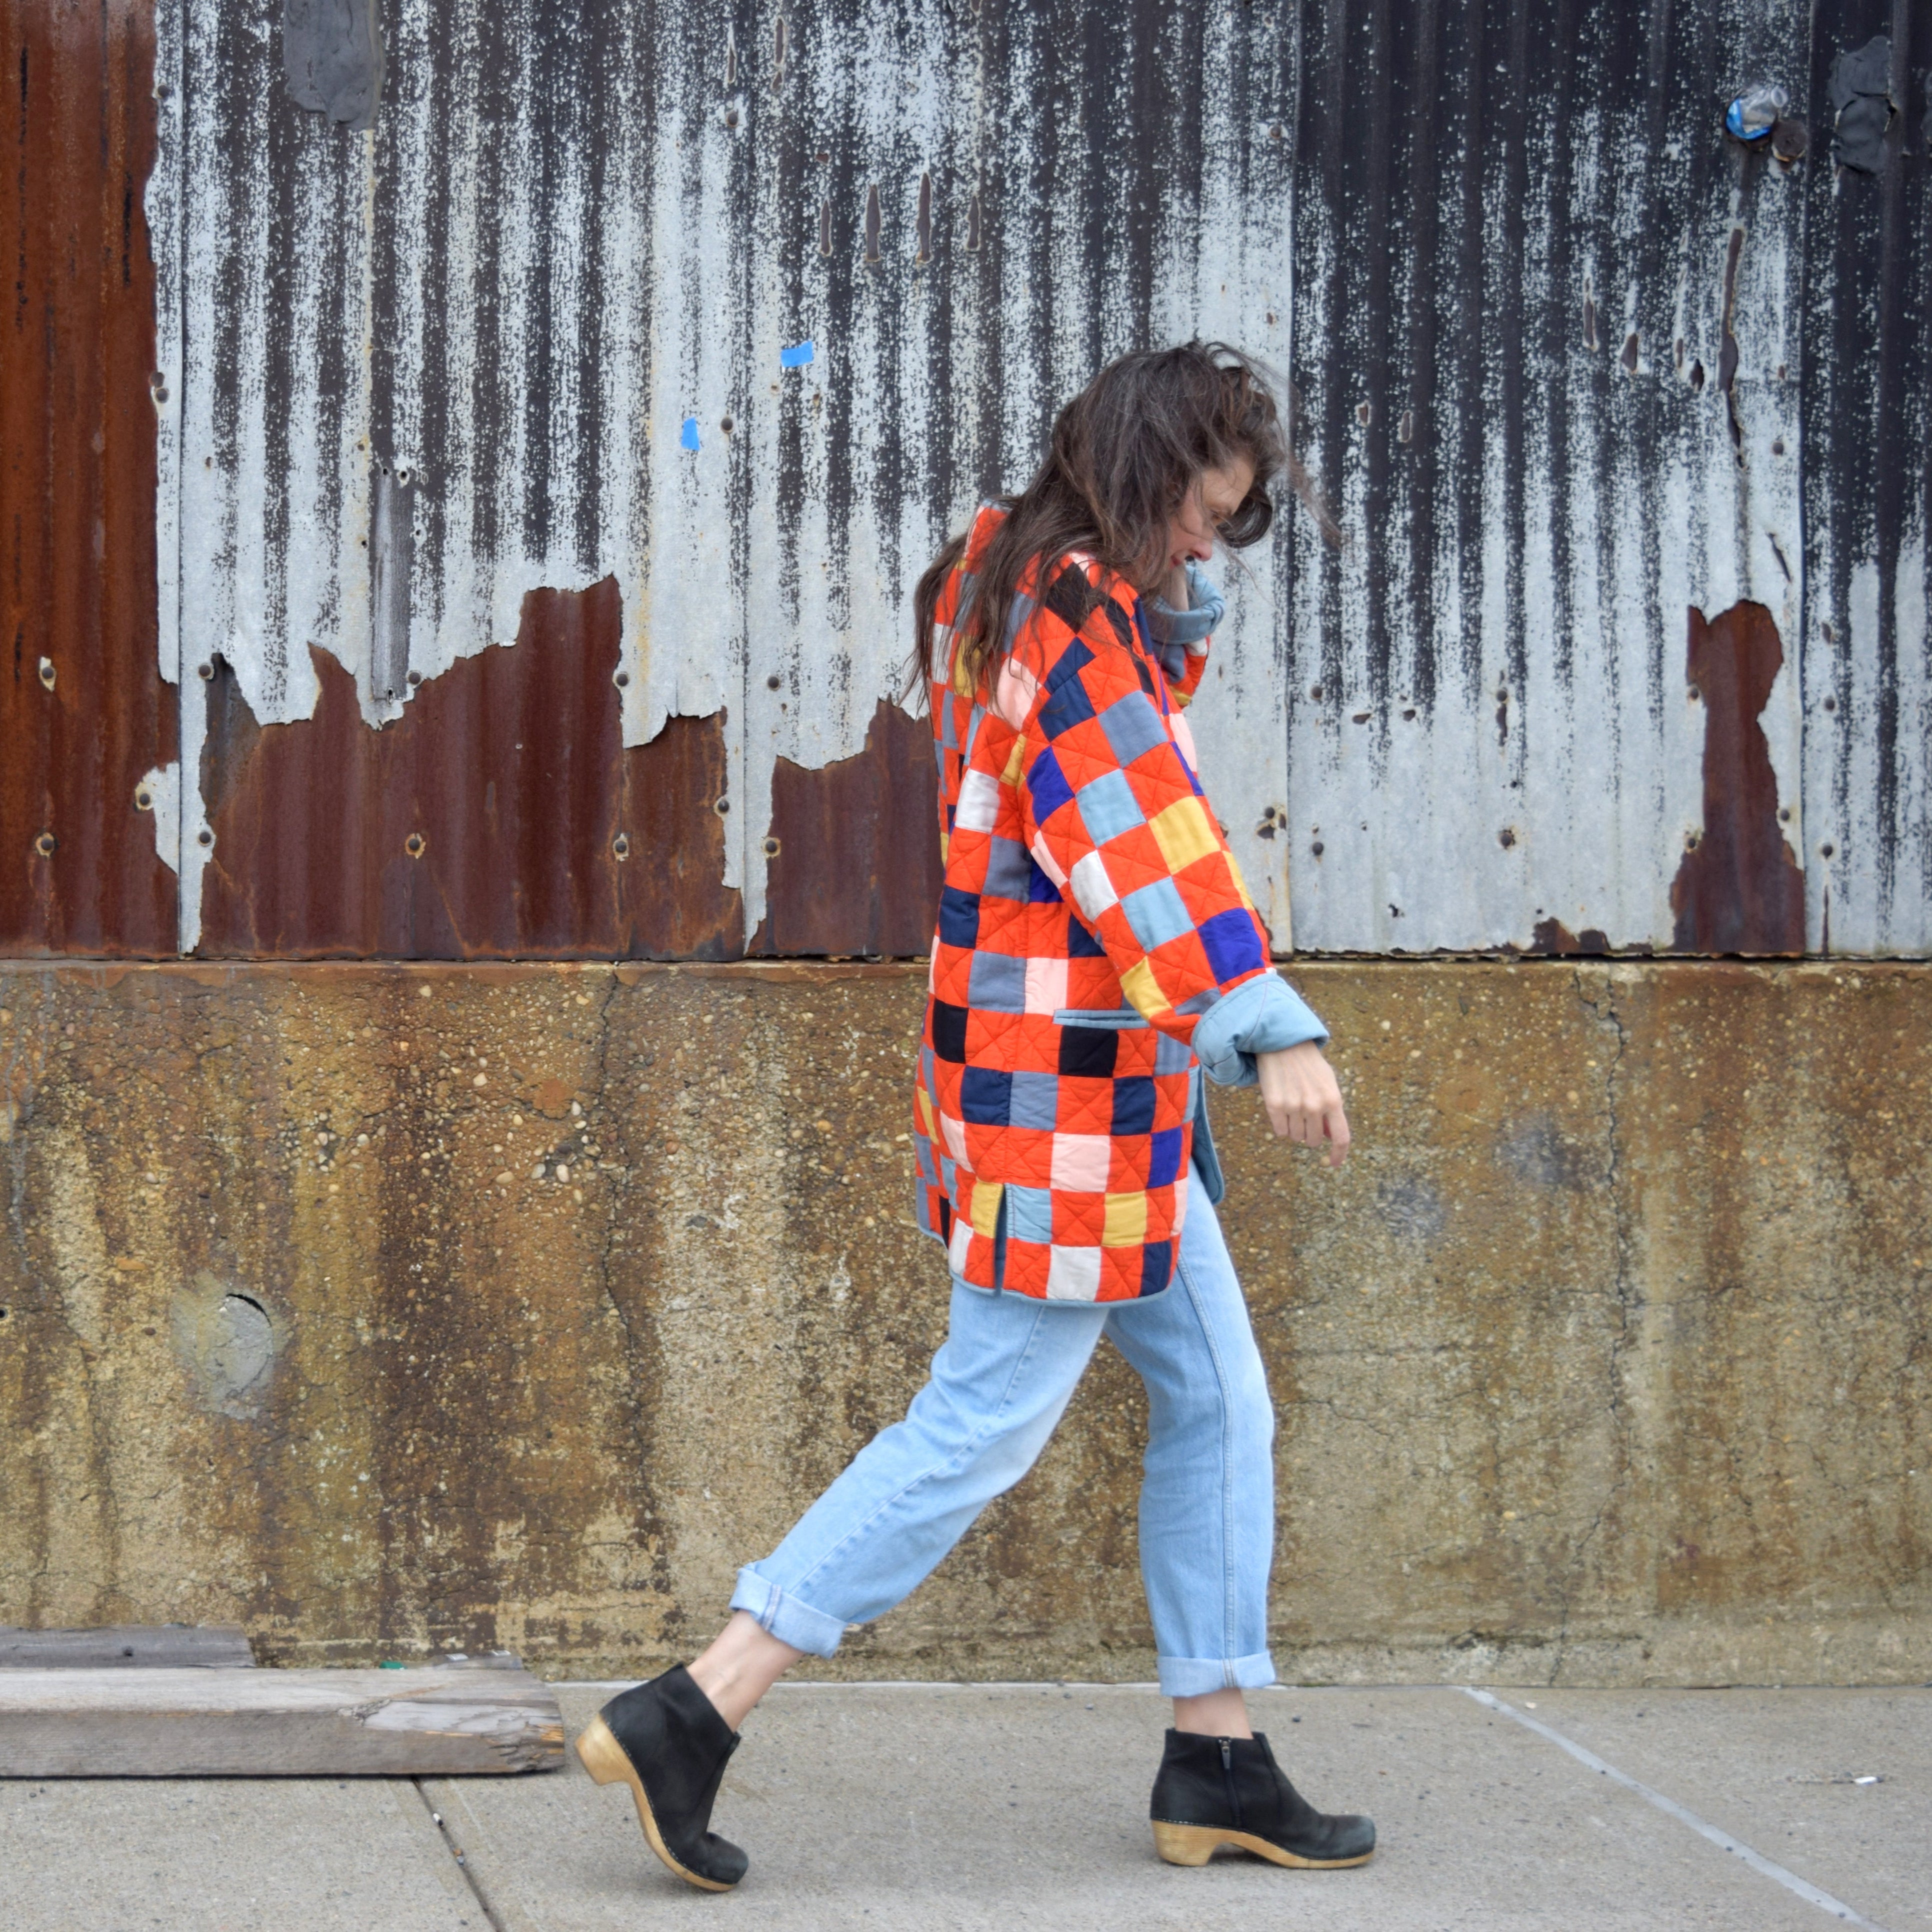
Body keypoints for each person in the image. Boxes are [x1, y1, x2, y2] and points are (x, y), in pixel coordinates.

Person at [574, 342, 1375, 1890]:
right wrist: (1264, 1025)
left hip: (1071, 1084)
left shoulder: (1009, 576)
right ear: (1146, 480)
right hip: (1062, 1103)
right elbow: (1138, 827)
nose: (1214, 545)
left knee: (1220, 1399)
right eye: (1204, 516)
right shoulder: (1075, 617)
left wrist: (1172, 615)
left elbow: (1105, 772)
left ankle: (1216, 1753)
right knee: (981, 1422)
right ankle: (697, 1708)